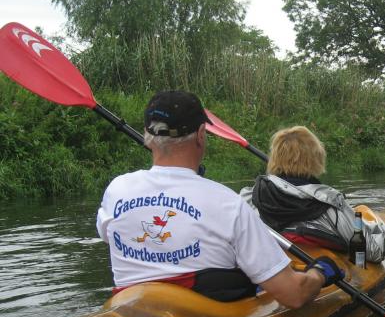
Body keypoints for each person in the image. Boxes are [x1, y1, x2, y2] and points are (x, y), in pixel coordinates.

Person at [96, 90, 342, 305]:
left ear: (147, 135)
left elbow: (114, 238)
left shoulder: (116, 190)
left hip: (132, 306)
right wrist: (320, 272)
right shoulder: (228, 204)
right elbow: (294, 295)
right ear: (201, 134)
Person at [241, 126, 385, 263]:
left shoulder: (248, 198)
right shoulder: (328, 206)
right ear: (316, 159)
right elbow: (369, 249)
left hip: (269, 271)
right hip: (319, 274)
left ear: (274, 158)